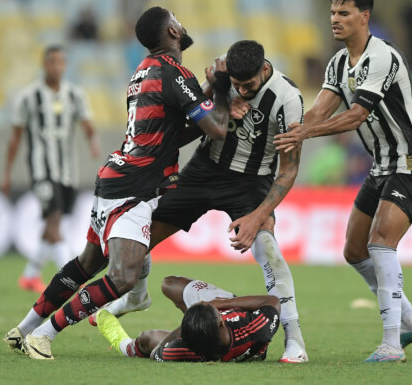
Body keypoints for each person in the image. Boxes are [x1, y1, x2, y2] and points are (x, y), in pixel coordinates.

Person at [3, 6, 231, 359]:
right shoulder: (174, 73)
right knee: (121, 276)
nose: (182, 23)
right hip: (133, 189)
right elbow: (215, 129)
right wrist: (222, 91)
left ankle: (24, 328)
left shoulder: (143, 72)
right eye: (176, 19)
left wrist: (204, 90)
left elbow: (171, 133)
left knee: (87, 264)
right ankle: (44, 335)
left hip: (114, 177)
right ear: (172, 30)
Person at [92, 40, 309, 363]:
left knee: (270, 251)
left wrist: (258, 215)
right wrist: (221, 94)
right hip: (204, 170)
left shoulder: (288, 99)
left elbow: (289, 169)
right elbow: (198, 94)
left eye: (248, 86)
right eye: (237, 85)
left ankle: (295, 343)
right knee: (140, 233)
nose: (243, 91)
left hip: (251, 183)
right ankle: (135, 296)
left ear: (265, 70)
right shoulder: (224, 70)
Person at [274, 0, 412, 363]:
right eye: (332, 12)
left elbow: (356, 114)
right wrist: (291, 131)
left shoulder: (382, 57)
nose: (335, 19)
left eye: (344, 13)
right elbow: (319, 111)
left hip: (410, 163)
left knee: (381, 242)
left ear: (365, 17)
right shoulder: (338, 62)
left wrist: (306, 132)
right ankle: (411, 321)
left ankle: (393, 344)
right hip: (381, 166)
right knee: (353, 250)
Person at [1, 45, 99, 293]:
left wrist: (93, 142)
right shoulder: (28, 97)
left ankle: (30, 275)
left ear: (65, 66)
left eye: (61, 62)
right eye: (52, 61)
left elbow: (87, 123)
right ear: (44, 64)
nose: (57, 66)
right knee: (54, 220)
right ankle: (71, 278)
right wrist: (7, 174)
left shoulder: (75, 95)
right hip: (41, 170)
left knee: (54, 222)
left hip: (68, 172)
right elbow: (15, 138)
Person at [96, 276, 280, 362]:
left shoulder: (182, 350)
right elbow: (271, 301)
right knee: (170, 285)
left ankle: (125, 345)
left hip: (205, 329)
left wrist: (182, 330)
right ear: (222, 321)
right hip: (229, 308)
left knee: (146, 339)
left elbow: (156, 354)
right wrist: (220, 304)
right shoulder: (257, 329)